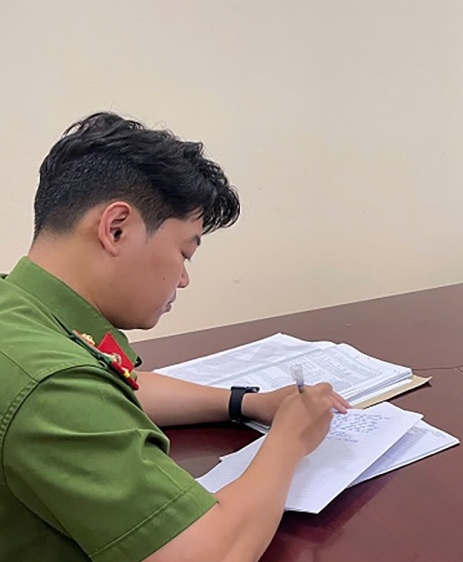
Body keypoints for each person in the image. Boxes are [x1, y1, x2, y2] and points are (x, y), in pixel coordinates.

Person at [0, 112, 351, 562]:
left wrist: (244, 402)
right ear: (116, 228)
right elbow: (211, 553)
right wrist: (291, 439)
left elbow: (111, 389)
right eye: (185, 251)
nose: (183, 279)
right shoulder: (52, 386)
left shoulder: (20, 310)